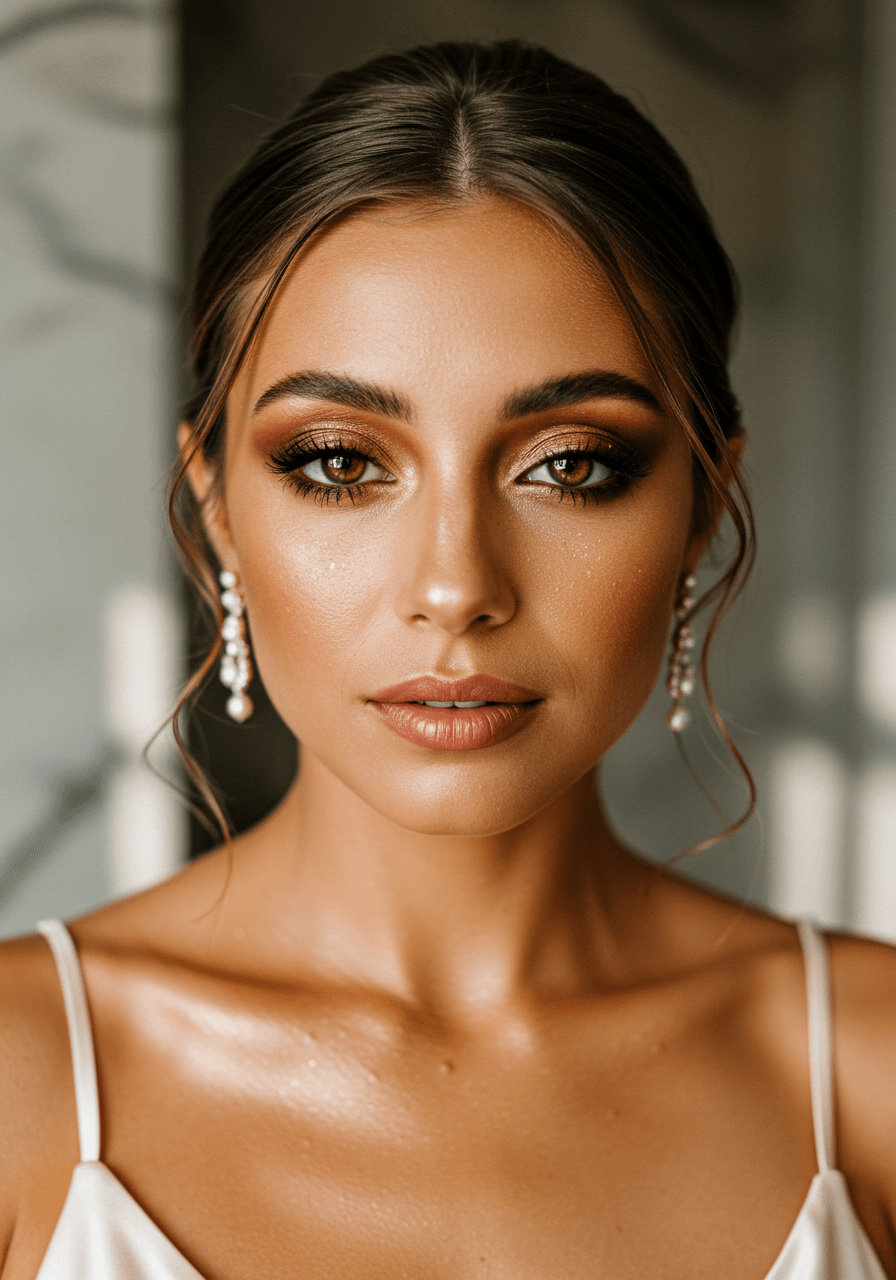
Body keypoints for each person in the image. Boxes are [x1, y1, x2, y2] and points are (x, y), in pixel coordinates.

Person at [0, 38, 893, 1280]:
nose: (454, 588)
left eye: (570, 463)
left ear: (700, 502)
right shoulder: (18, 1079)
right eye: (338, 461)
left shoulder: (872, 1072)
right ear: (215, 504)